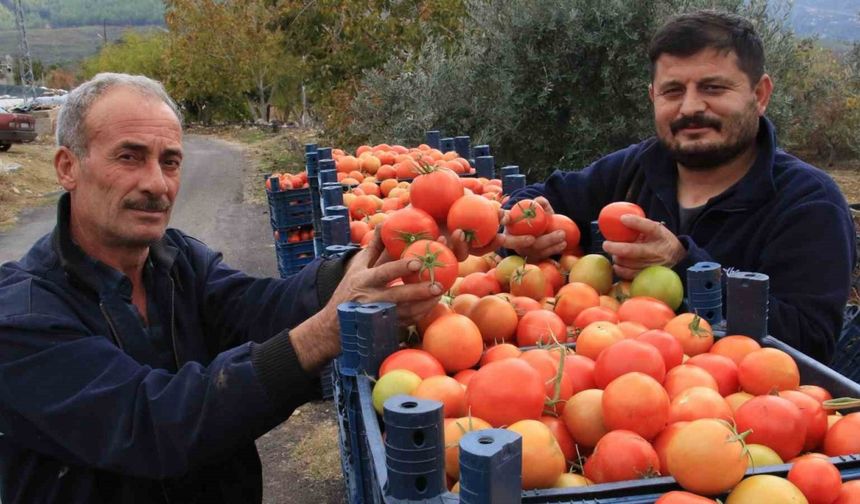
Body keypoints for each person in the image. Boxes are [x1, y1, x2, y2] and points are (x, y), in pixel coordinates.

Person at [0, 73, 442, 503]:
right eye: (129, 157)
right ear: (67, 167)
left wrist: (366, 263)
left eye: (169, 161)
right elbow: (151, 423)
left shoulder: (176, 260)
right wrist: (322, 332)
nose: (157, 184)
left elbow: (257, 308)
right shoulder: (23, 317)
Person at [503, 10, 856, 363]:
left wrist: (684, 265)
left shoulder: (809, 203)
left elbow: (809, 343)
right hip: (614, 383)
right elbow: (542, 196)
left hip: (728, 411)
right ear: (652, 97)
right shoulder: (637, 167)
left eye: (713, 88)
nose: (690, 107)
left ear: (760, 95)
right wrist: (523, 231)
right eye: (673, 91)